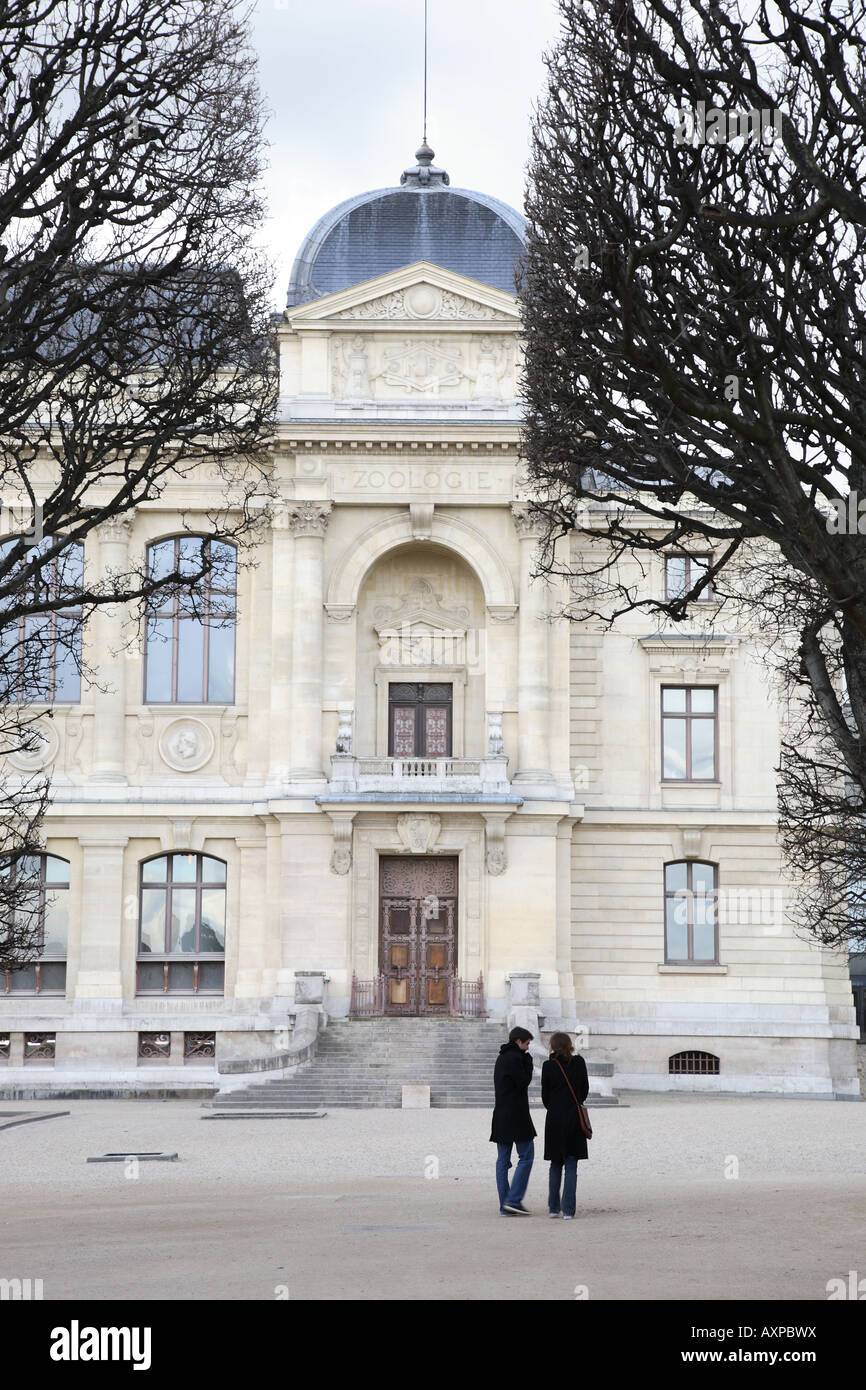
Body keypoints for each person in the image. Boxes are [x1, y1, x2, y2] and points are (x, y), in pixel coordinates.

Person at [541, 1031, 589, 1220]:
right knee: (571, 1164)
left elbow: (545, 1094)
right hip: (574, 1117)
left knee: (555, 1164)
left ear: (552, 1046)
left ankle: (554, 1207)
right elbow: (584, 1090)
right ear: (569, 1044)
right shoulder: (579, 1063)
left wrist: (554, 1106)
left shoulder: (548, 1066)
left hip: (554, 1117)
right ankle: (568, 1210)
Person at [490, 1026, 536, 1215]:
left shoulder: (501, 1057)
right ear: (518, 1041)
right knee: (526, 1157)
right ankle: (514, 1200)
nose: (527, 1048)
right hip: (516, 1115)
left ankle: (505, 1205)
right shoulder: (517, 1058)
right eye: (527, 1043)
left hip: (500, 1115)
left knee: (502, 1161)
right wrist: (529, 1061)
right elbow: (523, 1081)